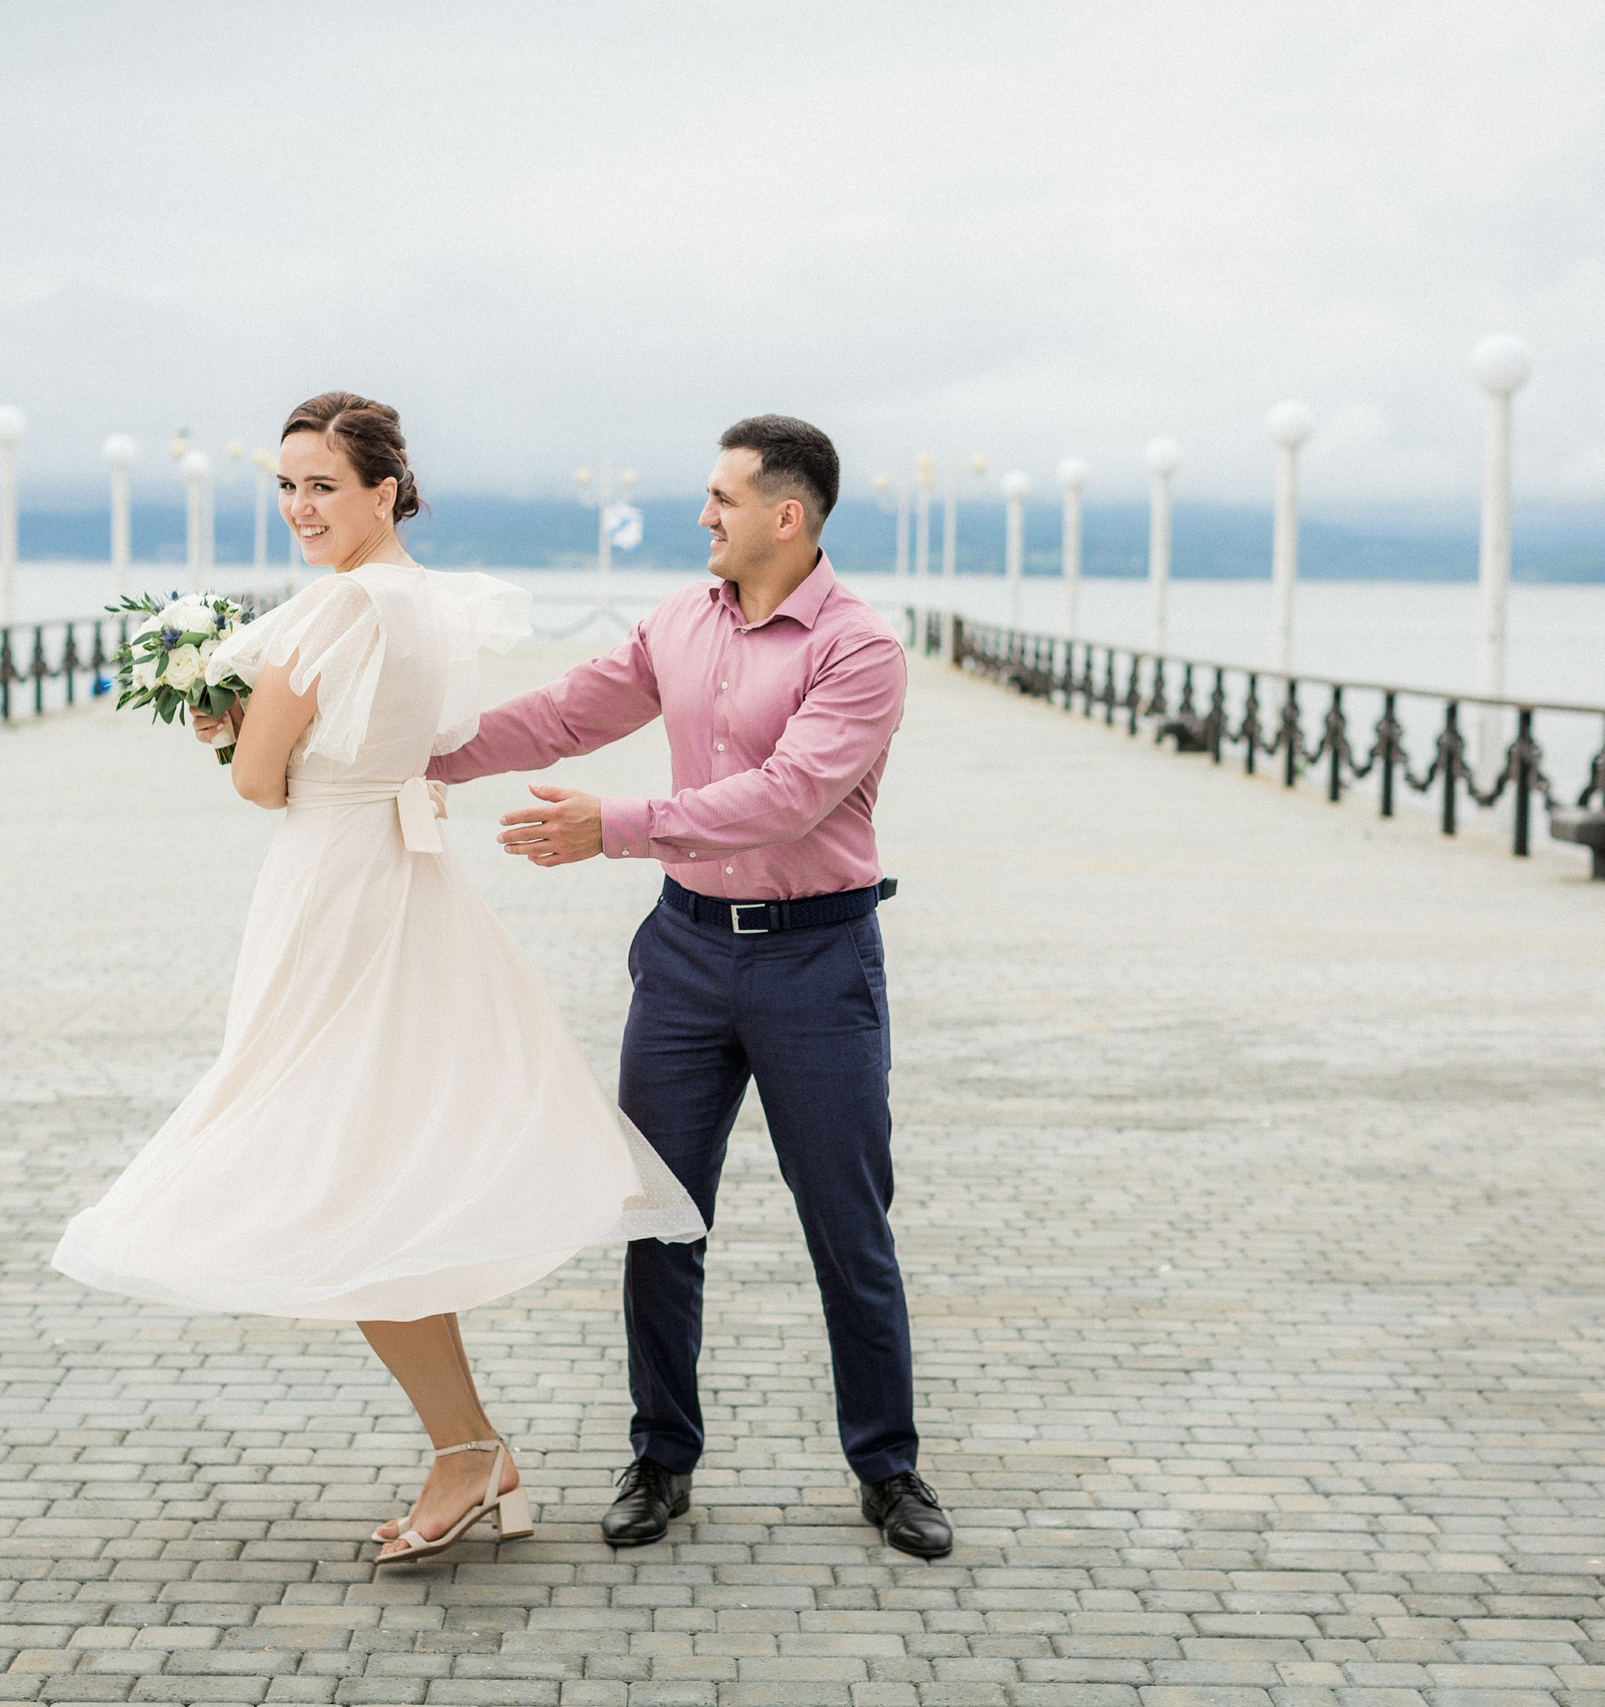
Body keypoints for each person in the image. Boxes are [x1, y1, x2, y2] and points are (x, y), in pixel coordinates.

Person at [52, 391, 706, 1565]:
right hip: (405, 882)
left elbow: (261, 781)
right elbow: (396, 740)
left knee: (345, 1165)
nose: (303, 508)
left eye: (324, 486)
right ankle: (470, 1447)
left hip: (337, 883)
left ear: (384, 489)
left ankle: (467, 1450)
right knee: (372, 1149)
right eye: (288, 487)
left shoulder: (337, 608)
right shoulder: (425, 601)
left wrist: (228, 728)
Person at [427, 415, 953, 1560]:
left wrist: (612, 827)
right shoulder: (681, 617)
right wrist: (414, 750)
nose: (702, 516)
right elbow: (566, 712)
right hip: (684, 956)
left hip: (818, 962)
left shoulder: (860, 649)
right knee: (658, 1217)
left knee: (846, 1229)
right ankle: (660, 1458)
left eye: (721, 498)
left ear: (787, 516)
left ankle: (889, 1468)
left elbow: (790, 796)